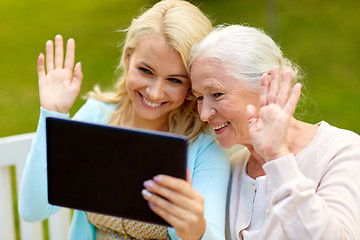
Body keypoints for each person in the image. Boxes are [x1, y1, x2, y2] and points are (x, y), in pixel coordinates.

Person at [18, 1, 230, 240]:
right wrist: (52, 113)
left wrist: (195, 229)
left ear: (192, 85)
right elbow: (33, 209)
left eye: (175, 80)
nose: (155, 92)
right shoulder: (97, 117)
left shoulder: (204, 149)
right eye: (146, 71)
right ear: (129, 58)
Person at [189, 24, 360, 239]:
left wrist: (278, 157)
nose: (204, 114)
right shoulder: (231, 168)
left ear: (268, 84)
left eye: (217, 93)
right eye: (199, 97)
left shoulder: (341, 152)